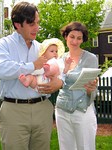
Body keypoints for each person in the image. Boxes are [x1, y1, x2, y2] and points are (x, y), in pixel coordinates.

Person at [0, 1, 63, 150]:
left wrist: (59, 82)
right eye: (31, 23)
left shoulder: (42, 47)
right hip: (14, 111)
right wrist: (33, 66)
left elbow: (58, 69)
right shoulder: (3, 44)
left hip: (43, 108)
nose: (37, 27)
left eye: (37, 22)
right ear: (18, 24)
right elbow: (1, 70)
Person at [55, 21, 98, 150]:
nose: (75, 41)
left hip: (83, 111)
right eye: (72, 36)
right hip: (62, 110)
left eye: (79, 38)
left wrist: (91, 90)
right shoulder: (59, 59)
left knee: (85, 147)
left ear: (82, 40)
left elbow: (94, 88)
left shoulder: (90, 59)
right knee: (66, 147)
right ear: (66, 36)